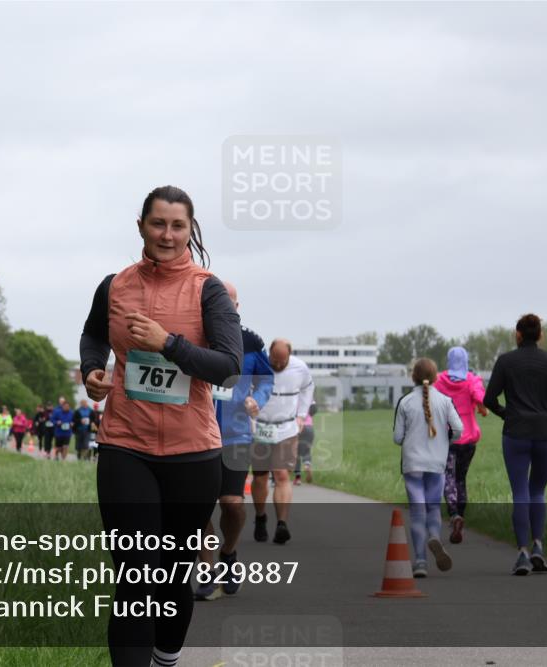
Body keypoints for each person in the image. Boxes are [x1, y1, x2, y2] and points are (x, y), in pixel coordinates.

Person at [79, 185, 242, 667]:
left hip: (192, 454)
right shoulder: (114, 285)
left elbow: (228, 366)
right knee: (134, 574)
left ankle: (166, 658)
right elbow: (93, 333)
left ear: (190, 229)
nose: (167, 234)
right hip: (125, 445)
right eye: (158, 224)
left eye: (177, 225)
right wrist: (92, 368)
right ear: (141, 227)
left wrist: (168, 343)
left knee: (171, 575)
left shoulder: (208, 289)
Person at [195, 281, 274, 601]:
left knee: (231, 504)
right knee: (198, 510)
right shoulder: (195, 337)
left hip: (236, 433)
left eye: (230, 303)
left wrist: (259, 399)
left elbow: (266, 379)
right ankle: (207, 570)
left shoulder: (252, 343)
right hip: (196, 433)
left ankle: (228, 553)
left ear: (237, 308)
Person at [483, 313, 547, 576]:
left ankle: (522, 552)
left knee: (520, 491)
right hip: (546, 433)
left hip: (516, 433)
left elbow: (489, 399)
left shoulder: (505, 361)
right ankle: (538, 547)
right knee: (538, 491)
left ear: (518, 334)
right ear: (541, 335)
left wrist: (505, 413)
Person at [394, 358, 463, 578]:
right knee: (433, 508)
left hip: (413, 464)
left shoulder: (405, 402)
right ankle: (434, 535)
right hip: (437, 463)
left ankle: (421, 561)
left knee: (417, 514)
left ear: (412, 376)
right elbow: (459, 429)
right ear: (435, 377)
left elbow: (397, 438)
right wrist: (445, 441)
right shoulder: (445, 400)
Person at [251, 339, 313, 545]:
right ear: (269, 354)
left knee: (281, 474)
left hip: (286, 427)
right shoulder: (259, 364)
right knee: (260, 477)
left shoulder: (300, 368)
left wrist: (301, 415)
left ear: (289, 356)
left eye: (282, 361)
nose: (277, 365)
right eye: (274, 360)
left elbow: (307, 389)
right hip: (260, 426)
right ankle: (260, 517)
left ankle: (281, 524)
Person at [434, 346, 489, 543]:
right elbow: (480, 397)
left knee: (447, 477)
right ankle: (461, 519)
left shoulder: (439, 381)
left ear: (449, 362)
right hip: (468, 439)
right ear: (466, 362)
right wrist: (482, 406)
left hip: (447, 439)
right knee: (460, 478)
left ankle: (454, 514)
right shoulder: (472, 380)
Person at [293, 402, 317, 485]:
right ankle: (307, 465)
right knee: (306, 450)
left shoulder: (294, 395)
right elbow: (314, 410)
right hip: (309, 427)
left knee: (296, 453)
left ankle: (298, 478)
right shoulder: (309, 397)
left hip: (298, 427)